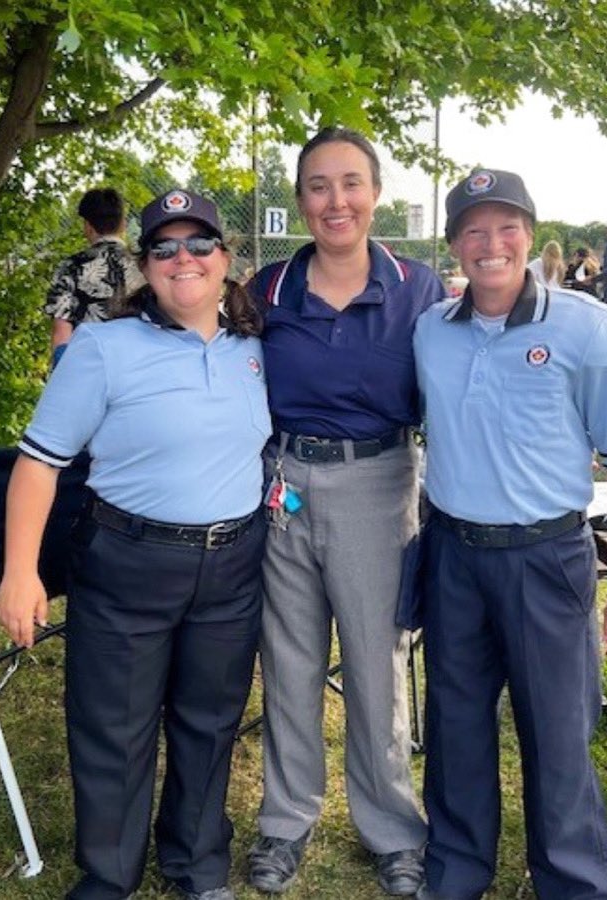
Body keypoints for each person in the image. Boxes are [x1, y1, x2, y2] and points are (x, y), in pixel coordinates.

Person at [0, 189, 271, 900]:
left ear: (225, 256)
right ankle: (109, 874)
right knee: (114, 727)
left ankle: (198, 863)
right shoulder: (102, 347)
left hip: (234, 564)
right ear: (145, 263)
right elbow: (39, 461)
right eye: (165, 247)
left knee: (209, 723)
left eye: (199, 244)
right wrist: (20, 572)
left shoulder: (255, 346)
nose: (184, 259)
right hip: (128, 562)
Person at [413, 169, 607, 900]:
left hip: (547, 559)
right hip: (452, 554)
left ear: (530, 235)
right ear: (454, 244)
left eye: (506, 227)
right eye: (474, 230)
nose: (491, 244)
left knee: (557, 737)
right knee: (454, 726)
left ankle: (574, 883)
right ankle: (455, 871)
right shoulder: (430, 330)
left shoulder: (591, 327)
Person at [247, 126, 445, 897]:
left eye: (351, 183)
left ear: (375, 193)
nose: (337, 201)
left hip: (379, 482)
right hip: (284, 482)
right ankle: (284, 822)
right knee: (289, 662)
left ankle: (394, 830)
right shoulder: (266, 290)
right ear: (299, 200)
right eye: (319, 186)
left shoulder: (419, 288)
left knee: (376, 666)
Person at [44, 187, 144, 366]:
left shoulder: (71, 267)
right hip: (140, 364)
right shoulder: (146, 266)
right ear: (123, 224)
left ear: (88, 226)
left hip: (91, 365)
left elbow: (62, 332)